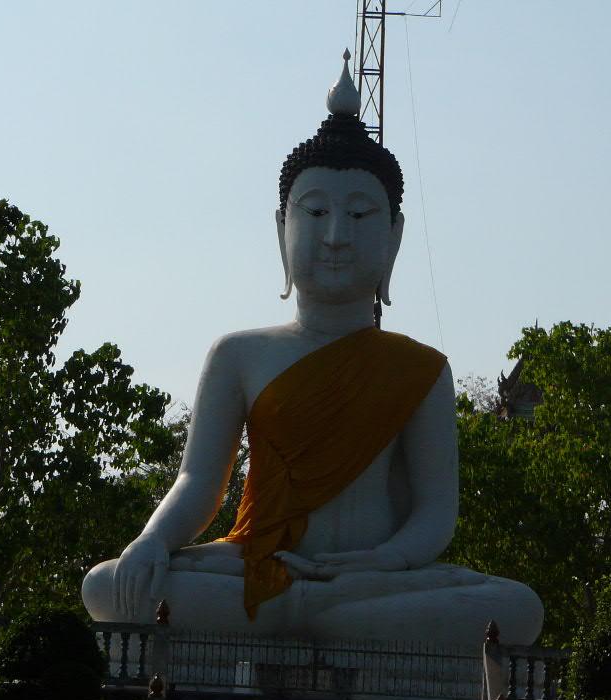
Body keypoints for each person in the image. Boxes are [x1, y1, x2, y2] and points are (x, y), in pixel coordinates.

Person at [82, 52, 543, 646]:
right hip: (258, 565)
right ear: (282, 228)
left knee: (517, 606)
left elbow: (434, 515)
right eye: (317, 212)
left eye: (360, 215)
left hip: (371, 577)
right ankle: (333, 621)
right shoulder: (239, 354)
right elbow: (199, 483)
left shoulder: (421, 369)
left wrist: (382, 562)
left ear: (394, 235)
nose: (335, 236)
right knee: (109, 584)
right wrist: (152, 540)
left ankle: (324, 612)